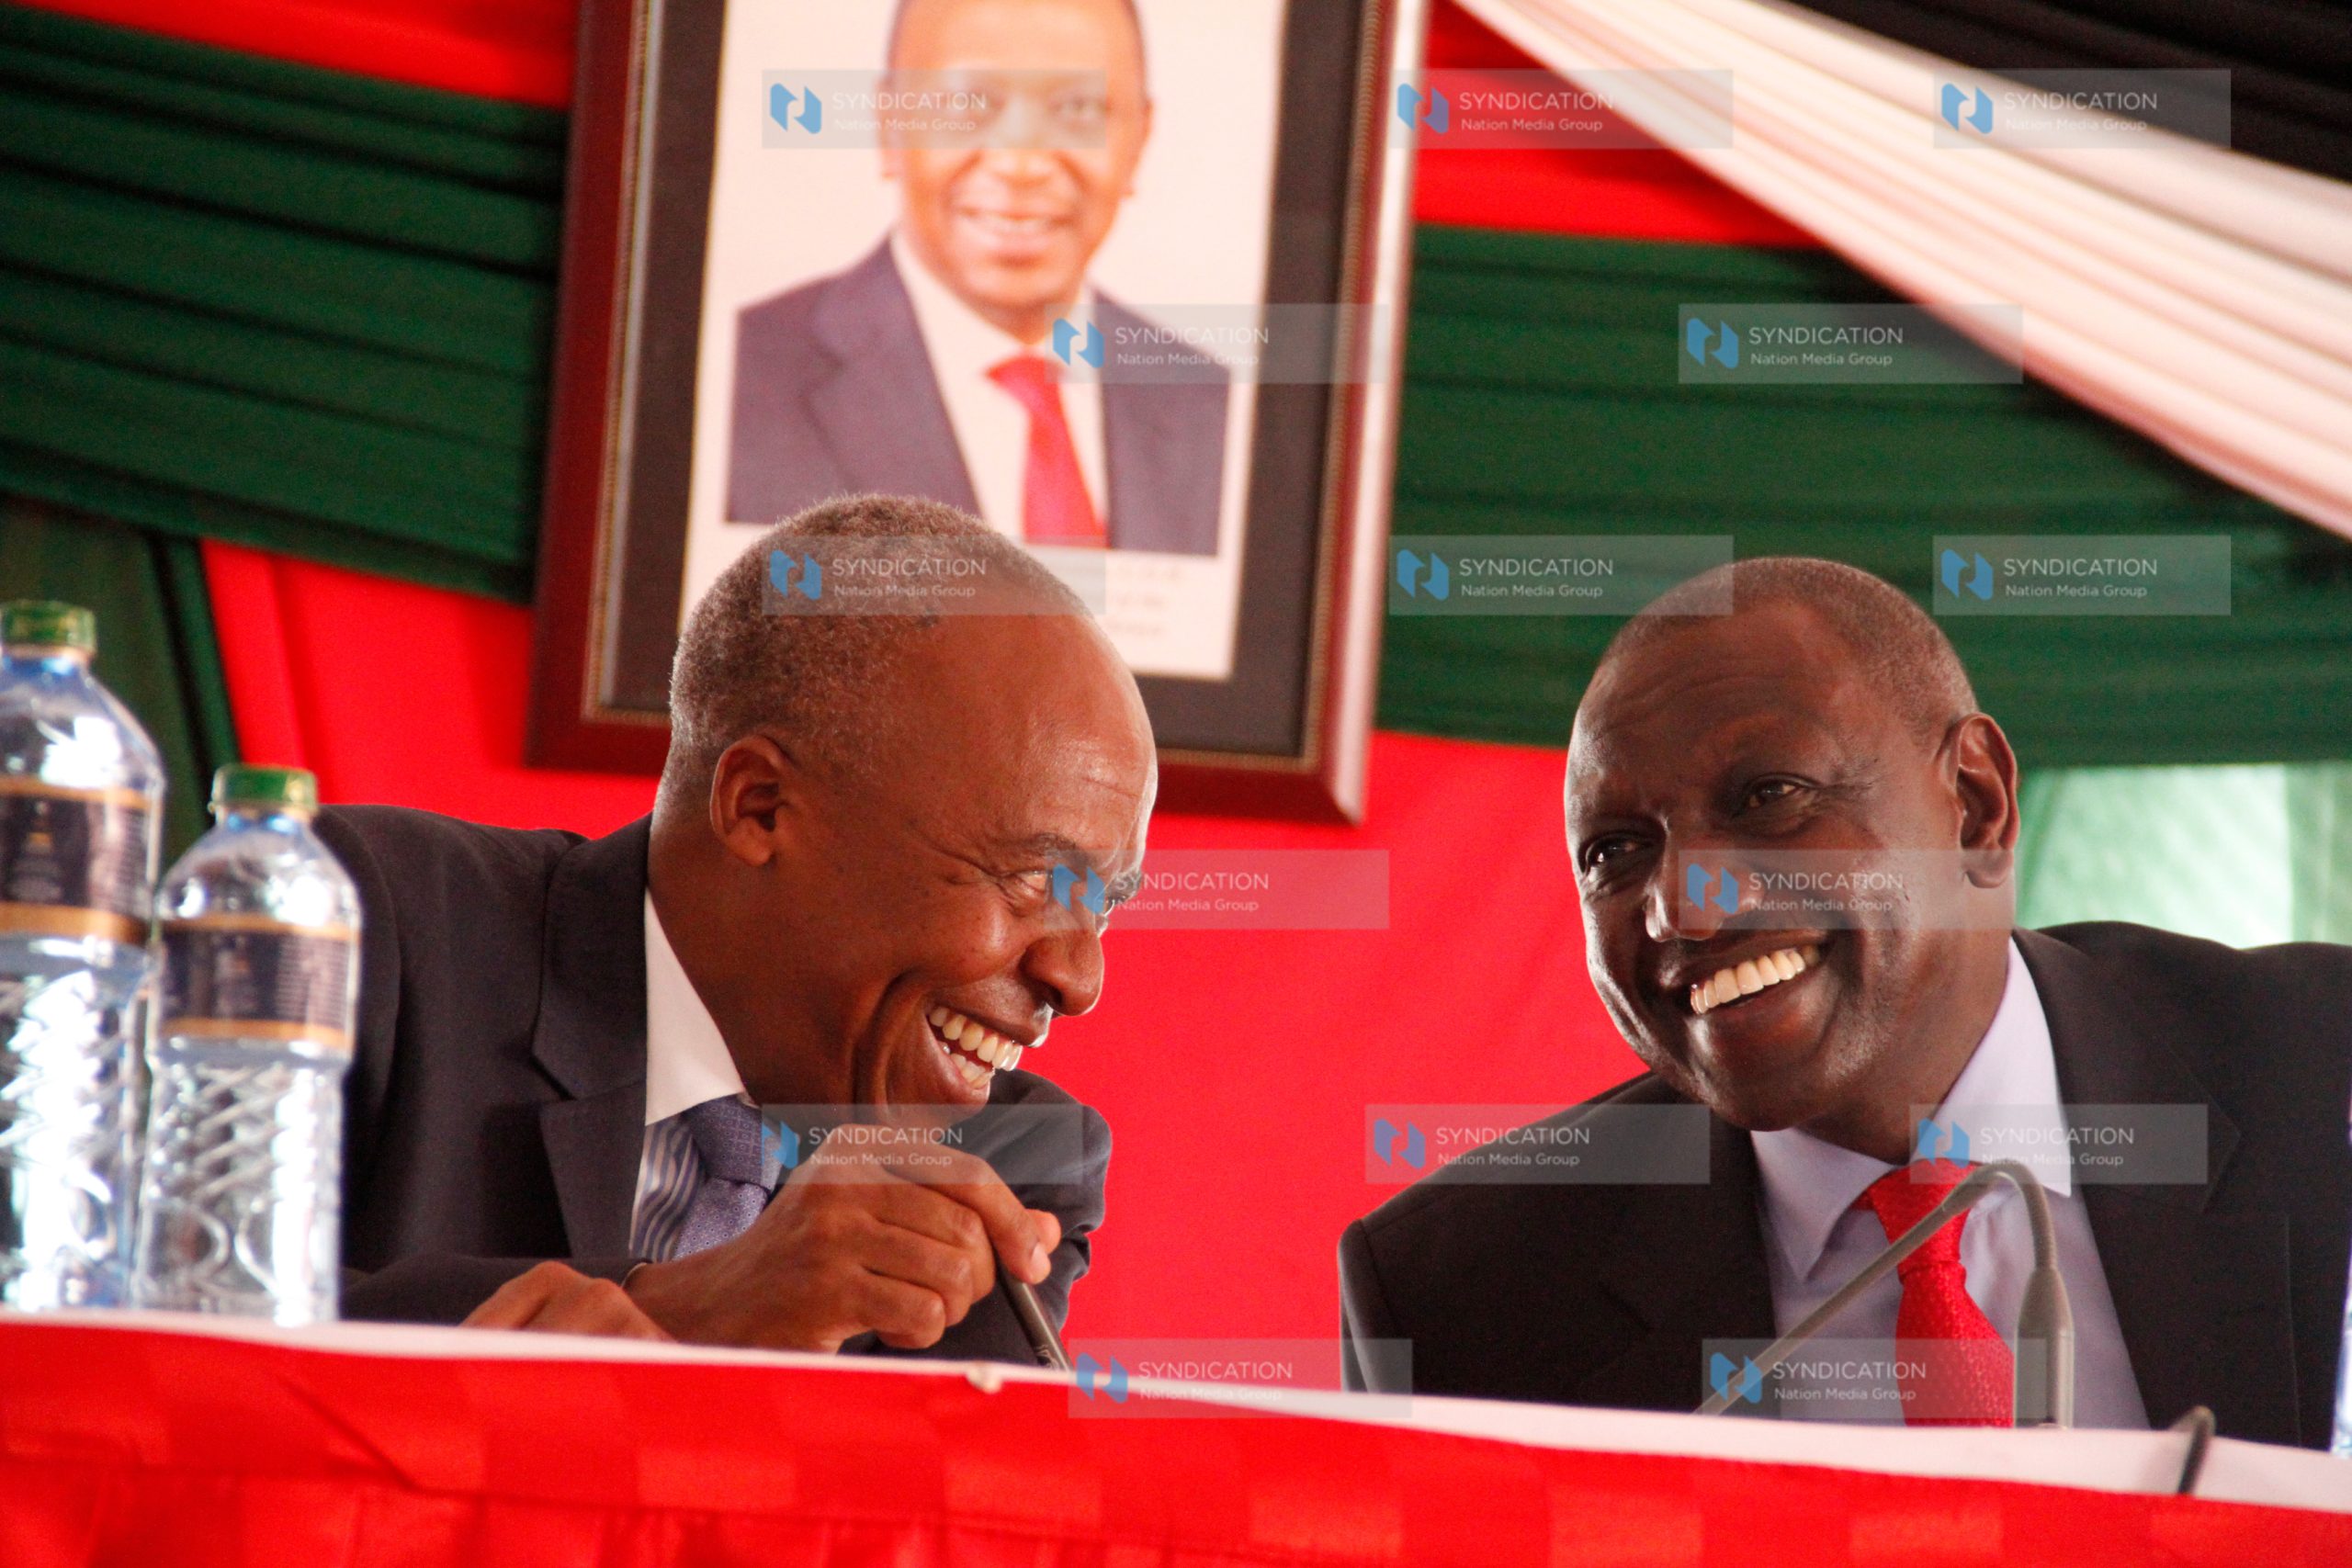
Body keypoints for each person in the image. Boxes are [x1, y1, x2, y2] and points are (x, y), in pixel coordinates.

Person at [1339, 557, 2352, 1448]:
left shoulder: (2318, 1071)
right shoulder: (1466, 1299)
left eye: (1768, 797)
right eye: (1615, 853)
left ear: (1976, 804)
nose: (1684, 907)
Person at [330, 494, 1156, 1360]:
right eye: (1033, 878)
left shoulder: (1005, 1169)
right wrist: (681, 1311)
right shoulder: (373, 926)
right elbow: (189, 1331)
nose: (1080, 977)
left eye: (1103, 903)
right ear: (759, 806)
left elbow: (917, 1491)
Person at [726, 0, 1227, 555]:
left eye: (1078, 109)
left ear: (1141, 137)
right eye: (968, 104)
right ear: (889, 124)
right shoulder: (739, 379)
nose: (1021, 165)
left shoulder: (1211, 407)